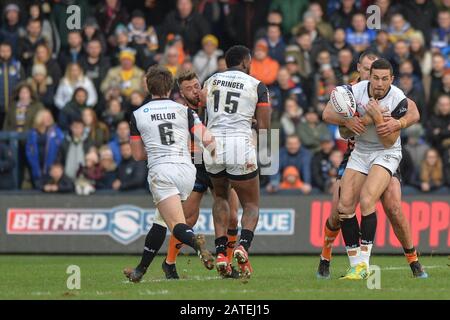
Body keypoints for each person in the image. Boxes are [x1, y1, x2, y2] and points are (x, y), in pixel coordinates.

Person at [318, 51, 426, 280]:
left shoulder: (397, 97)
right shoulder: (351, 91)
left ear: (391, 79)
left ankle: (406, 261)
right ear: (364, 73)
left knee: (375, 201)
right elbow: (327, 114)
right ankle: (354, 264)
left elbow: (389, 140)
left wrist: (379, 119)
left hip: (386, 153)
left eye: (383, 78)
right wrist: (348, 120)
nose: (378, 82)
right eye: (374, 77)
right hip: (359, 152)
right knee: (344, 206)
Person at [123, 65, 215, 282]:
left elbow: (137, 155)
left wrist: (157, 149)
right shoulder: (185, 111)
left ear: (148, 86)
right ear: (170, 87)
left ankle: (196, 243)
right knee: (160, 222)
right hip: (187, 172)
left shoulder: (138, 115)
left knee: (176, 225)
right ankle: (140, 270)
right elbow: (208, 140)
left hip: (162, 171)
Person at [202, 45, 271, 278]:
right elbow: (264, 127)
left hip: (211, 143)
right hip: (239, 143)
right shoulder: (257, 85)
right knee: (251, 204)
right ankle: (243, 246)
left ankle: (221, 252)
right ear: (245, 62)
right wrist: (266, 157)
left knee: (220, 197)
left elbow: (204, 116)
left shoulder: (210, 81)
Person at [163, 70, 240, 279]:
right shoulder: (180, 112)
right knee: (188, 219)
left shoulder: (215, 104)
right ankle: (169, 262)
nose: (195, 91)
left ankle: (227, 263)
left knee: (232, 217)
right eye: (189, 88)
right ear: (181, 92)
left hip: (218, 163)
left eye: (197, 86)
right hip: (196, 166)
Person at [25, 109, 64, 188]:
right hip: (36, 166)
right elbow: (29, 150)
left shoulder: (56, 131)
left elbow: (61, 147)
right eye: (45, 117)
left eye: (49, 117)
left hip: (52, 167)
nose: (48, 119)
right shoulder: (33, 133)